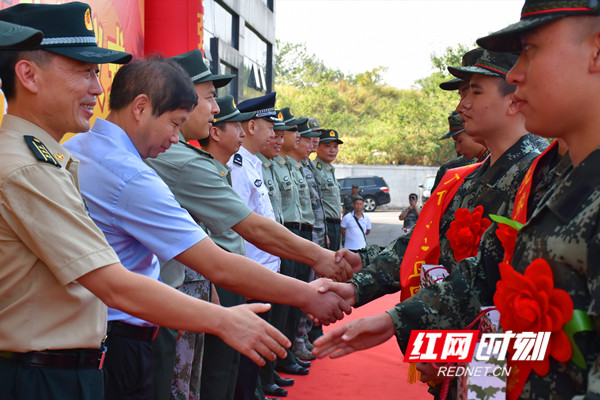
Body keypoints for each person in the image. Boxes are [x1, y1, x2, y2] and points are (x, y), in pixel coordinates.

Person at [0, 3, 286, 400]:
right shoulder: (28, 168)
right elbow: (114, 286)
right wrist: (222, 321)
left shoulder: (49, 157)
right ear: (28, 74)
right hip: (41, 375)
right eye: (84, 72)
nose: (97, 89)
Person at [63, 57, 351, 399]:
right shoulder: (131, 174)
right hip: (122, 338)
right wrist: (305, 294)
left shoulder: (76, 149)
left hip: (98, 334)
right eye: (174, 124)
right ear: (141, 107)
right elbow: (217, 261)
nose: (175, 138)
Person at [313, 49, 543, 383]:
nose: (460, 106)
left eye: (474, 92)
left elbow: (489, 271)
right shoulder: (470, 178)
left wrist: (395, 319)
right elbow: (427, 244)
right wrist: (359, 285)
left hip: (500, 358)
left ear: (514, 99)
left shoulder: (536, 177)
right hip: (457, 345)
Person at [432, 110, 488, 191]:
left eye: (460, 141)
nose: (458, 149)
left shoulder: (496, 163)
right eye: (456, 143)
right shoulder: (450, 169)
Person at [313, 129, 344, 251]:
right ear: (317, 147)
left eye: (335, 147)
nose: (332, 150)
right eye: (327, 146)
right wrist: (322, 231)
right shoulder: (315, 169)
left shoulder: (330, 169)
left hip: (335, 225)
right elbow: (313, 203)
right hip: (325, 225)